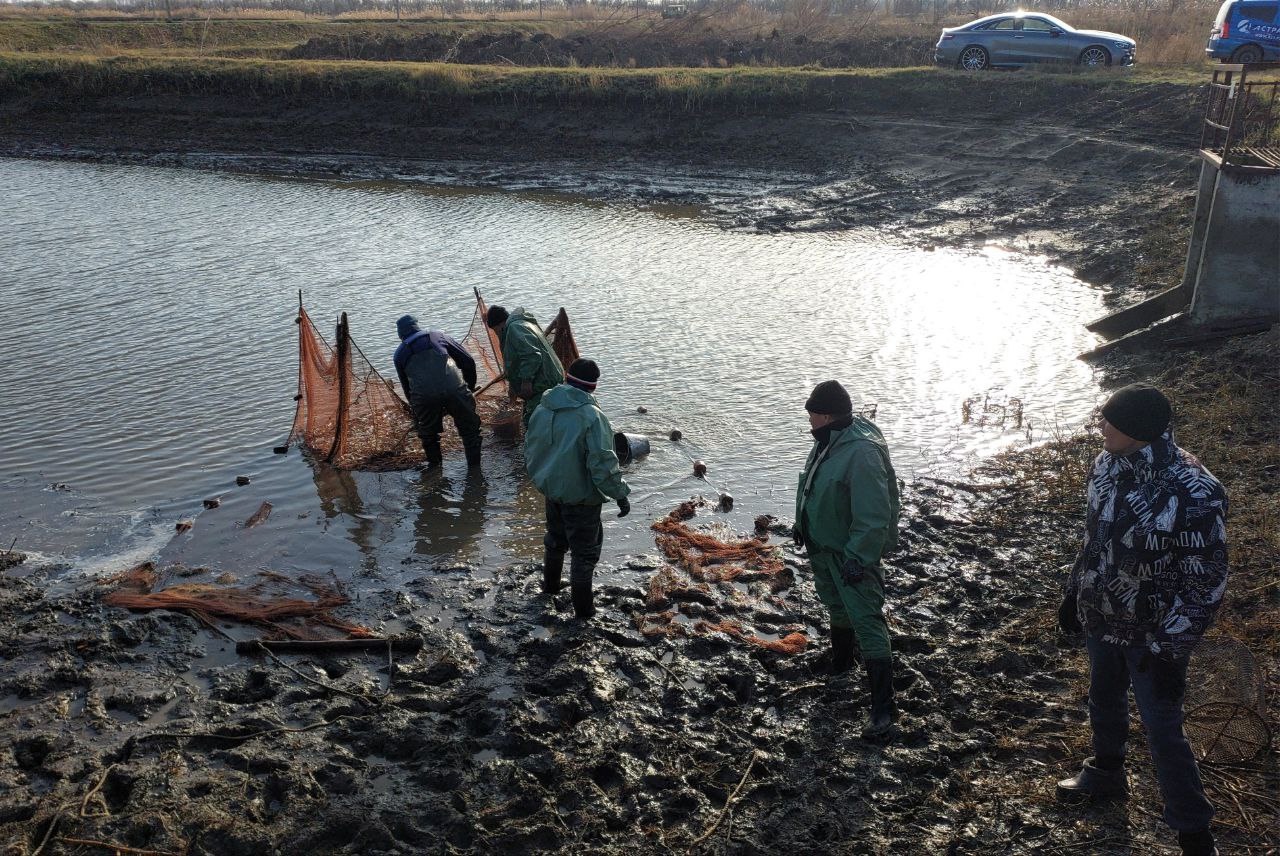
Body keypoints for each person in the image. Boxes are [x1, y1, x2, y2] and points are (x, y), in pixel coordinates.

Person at [1057, 383, 1228, 856]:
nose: (1102, 427)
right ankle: (1106, 772)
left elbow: (1205, 582)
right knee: (1103, 698)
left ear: (1140, 430)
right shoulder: (1105, 466)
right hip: (1102, 614)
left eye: (1111, 421)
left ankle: (1194, 831)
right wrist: (1075, 592)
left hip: (1154, 634)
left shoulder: (1194, 488)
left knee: (1162, 726)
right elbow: (1095, 537)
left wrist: (1170, 647)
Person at [794, 380, 901, 740]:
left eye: (811, 417)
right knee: (836, 607)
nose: (808, 424)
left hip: (851, 553)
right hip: (823, 546)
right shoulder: (829, 440)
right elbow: (810, 483)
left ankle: (883, 709)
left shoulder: (861, 452)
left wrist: (859, 558)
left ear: (825, 416)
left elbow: (874, 515)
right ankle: (841, 666)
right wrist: (801, 524)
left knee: (867, 619)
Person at [524, 358, 631, 619]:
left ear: (566, 378)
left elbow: (531, 448)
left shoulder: (543, 407)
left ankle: (549, 588)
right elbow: (603, 463)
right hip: (581, 499)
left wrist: (543, 480)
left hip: (551, 491)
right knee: (584, 554)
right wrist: (620, 493)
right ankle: (584, 612)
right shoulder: (592, 416)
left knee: (555, 540)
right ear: (593, 387)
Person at [393, 315, 482, 468]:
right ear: (417, 327)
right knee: (470, 432)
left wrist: (417, 410)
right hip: (455, 390)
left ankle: (435, 472)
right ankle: (474, 471)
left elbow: (407, 389)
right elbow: (468, 361)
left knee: (429, 437)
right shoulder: (438, 336)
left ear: (400, 335)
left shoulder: (399, 354)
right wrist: (470, 387)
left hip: (424, 398)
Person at [485, 305, 565, 428]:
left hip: (543, 385)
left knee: (533, 424)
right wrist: (513, 388)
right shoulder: (522, 324)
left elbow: (532, 355)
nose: (496, 334)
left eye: (495, 330)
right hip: (546, 381)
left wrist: (526, 382)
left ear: (500, 324)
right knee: (535, 420)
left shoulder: (514, 328)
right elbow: (516, 361)